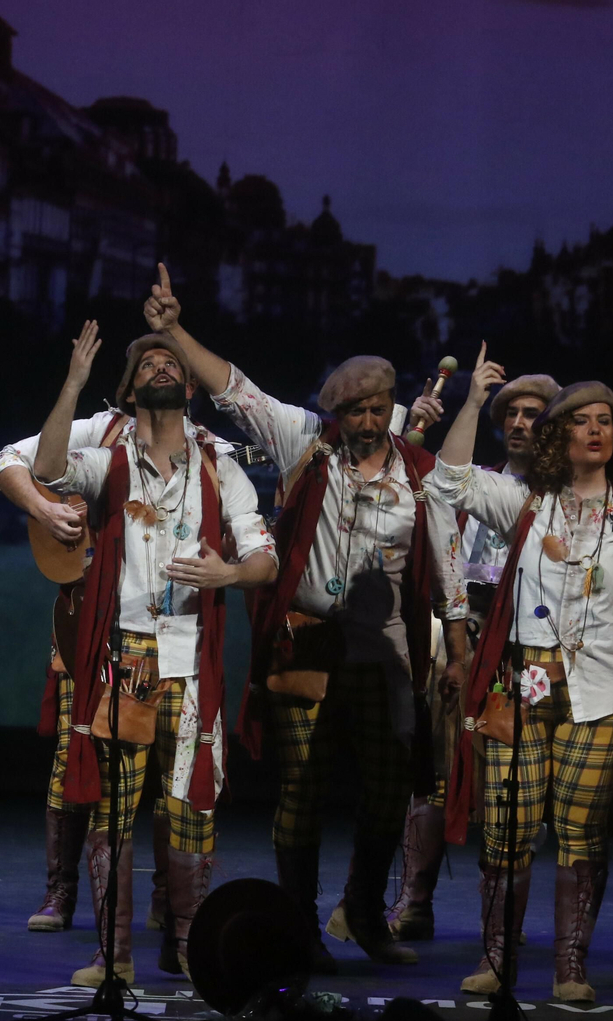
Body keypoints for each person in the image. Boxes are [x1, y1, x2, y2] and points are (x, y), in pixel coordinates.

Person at [143, 264, 466, 970]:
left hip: (385, 654)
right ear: (338, 415)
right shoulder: (304, 443)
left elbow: (444, 562)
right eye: (356, 412)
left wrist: (458, 643)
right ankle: (298, 926)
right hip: (306, 644)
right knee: (303, 790)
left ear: (391, 408)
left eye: (378, 409)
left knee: (387, 788)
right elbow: (235, 390)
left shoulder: (417, 472)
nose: (368, 422)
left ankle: (366, 914)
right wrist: (172, 330)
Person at [33, 319, 278, 985]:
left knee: (188, 811)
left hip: (190, 663)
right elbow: (48, 468)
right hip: (122, 659)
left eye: (172, 363)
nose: (161, 369)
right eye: (147, 365)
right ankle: (112, 955)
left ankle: (187, 947)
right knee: (112, 811)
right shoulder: (109, 464)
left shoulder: (220, 468)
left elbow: (263, 555)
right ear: (131, 388)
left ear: (191, 386)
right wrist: (74, 383)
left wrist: (230, 574)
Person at [431, 352, 613, 1003]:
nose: (593, 430)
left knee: (579, 831)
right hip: (522, 683)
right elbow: (449, 480)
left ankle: (570, 967)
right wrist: (473, 402)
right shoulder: (527, 505)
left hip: (597, 692)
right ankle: (496, 958)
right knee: (508, 824)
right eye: (580, 421)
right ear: (558, 435)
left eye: (604, 422)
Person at [389, 373, 559, 941]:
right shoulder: (480, 486)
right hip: (465, 641)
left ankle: (503, 925)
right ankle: (415, 900)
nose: (518, 423)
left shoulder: (566, 501)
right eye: (510, 415)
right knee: (437, 776)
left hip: (536, 650)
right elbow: (442, 487)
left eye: (532, 414)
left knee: (516, 785)